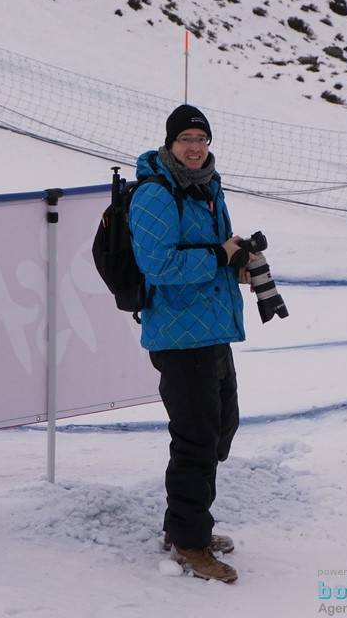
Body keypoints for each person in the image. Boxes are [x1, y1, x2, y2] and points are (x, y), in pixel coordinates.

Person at [127, 104, 254, 584]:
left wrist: (236, 260)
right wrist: (218, 255)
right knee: (196, 441)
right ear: (170, 144)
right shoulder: (155, 194)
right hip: (180, 336)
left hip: (212, 329)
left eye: (201, 138)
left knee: (220, 428)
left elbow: (213, 251)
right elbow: (157, 266)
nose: (195, 147)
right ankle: (189, 542)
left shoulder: (206, 186)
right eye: (185, 139)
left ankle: (182, 526)